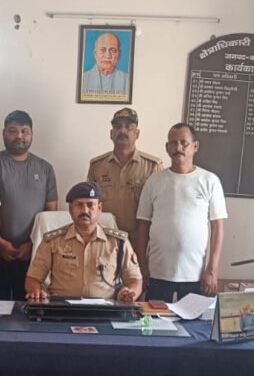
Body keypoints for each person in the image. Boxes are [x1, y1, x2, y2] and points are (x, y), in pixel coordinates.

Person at [135, 122, 227, 301]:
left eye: (184, 143)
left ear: (195, 146)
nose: (178, 148)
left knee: (193, 319)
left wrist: (212, 269)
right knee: (154, 318)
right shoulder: (154, 181)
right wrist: (142, 267)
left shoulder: (210, 181)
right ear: (167, 148)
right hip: (157, 274)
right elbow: (142, 225)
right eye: (173, 143)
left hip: (195, 275)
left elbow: (218, 228)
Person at [25, 181, 142, 302]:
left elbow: (135, 279)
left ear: (99, 208)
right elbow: (33, 278)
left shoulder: (118, 242)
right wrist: (37, 291)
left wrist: (129, 293)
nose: (85, 210)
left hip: (105, 309)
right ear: (70, 208)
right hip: (62, 308)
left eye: (90, 205)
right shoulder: (52, 241)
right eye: (79, 205)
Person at [0, 110, 58, 300]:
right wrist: (0, 243)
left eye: (24, 131)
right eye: (13, 130)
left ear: (32, 135)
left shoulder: (45, 169)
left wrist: (32, 244)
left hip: (33, 255)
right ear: (4, 134)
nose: (19, 136)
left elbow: (50, 214)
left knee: (28, 308)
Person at [88, 107, 162, 250]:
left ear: (137, 133)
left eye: (129, 127)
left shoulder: (152, 166)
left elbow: (158, 209)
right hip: (103, 240)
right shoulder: (97, 166)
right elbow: (89, 204)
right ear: (111, 134)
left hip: (138, 241)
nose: (122, 131)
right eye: (117, 127)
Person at [82, 32, 129, 97]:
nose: (108, 55)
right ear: (95, 54)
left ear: (119, 55)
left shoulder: (127, 80)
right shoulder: (83, 79)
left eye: (113, 50)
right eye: (103, 50)